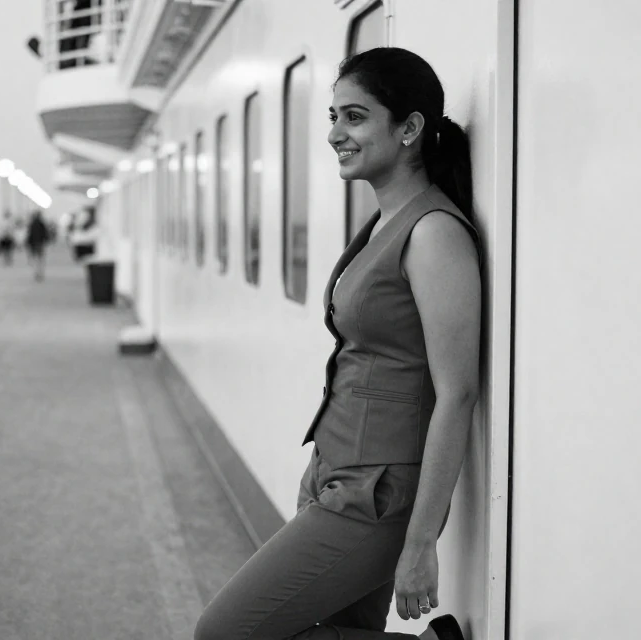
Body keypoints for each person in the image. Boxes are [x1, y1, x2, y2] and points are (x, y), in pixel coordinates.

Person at [194, 47, 482, 640]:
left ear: (408, 129)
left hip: (377, 493)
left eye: (353, 117)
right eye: (332, 117)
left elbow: (457, 394)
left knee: (222, 634)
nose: (334, 134)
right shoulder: (382, 222)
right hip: (332, 465)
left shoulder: (433, 234)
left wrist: (420, 542)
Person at [26, 211, 51, 281]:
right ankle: (40, 272)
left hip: (33, 244)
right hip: (40, 244)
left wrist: (28, 244)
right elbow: (46, 234)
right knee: (40, 259)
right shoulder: (42, 224)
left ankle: (36, 272)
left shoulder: (31, 224)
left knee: (35, 258)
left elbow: (29, 235)